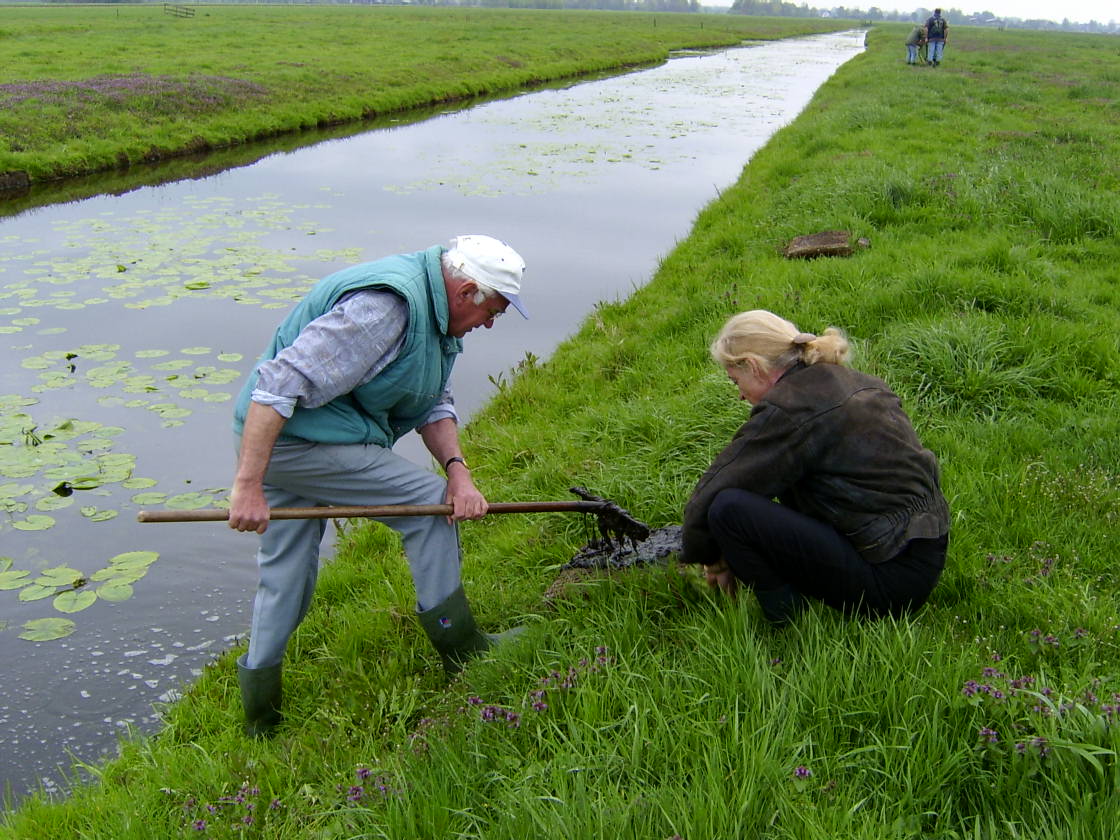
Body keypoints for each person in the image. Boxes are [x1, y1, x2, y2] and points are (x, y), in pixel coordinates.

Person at [228, 234, 528, 736]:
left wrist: (459, 470)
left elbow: (433, 398)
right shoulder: (385, 310)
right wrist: (247, 486)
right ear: (467, 290)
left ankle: (260, 716)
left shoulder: (437, 317)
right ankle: (465, 652)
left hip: (295, 440)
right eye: (492, 311)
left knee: (286, 576)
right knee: (429, 507)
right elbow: (276, 385)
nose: (490, 323)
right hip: (295, 444)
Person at [680, 310, 949, 626]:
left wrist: (712, 560)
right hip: (921, 553)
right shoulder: (851, 380)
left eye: (736, 380)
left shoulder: (792, 408)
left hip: (888, 582)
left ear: (753, 366)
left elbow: (714, 492)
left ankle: (789, 627)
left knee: (728, 510)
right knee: (767, 483)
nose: (740, 394)